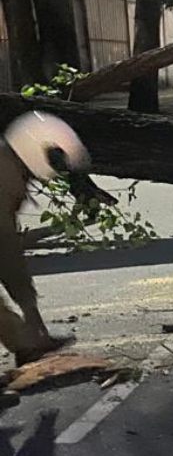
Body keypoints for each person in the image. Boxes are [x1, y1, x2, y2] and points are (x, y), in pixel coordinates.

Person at [1, 113, 88, 379]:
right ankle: (29, 345)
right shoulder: (5, 175)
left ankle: (28, 346)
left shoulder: (8, 162)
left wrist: (31, 312)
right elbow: (6, 252)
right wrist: (30, 308)